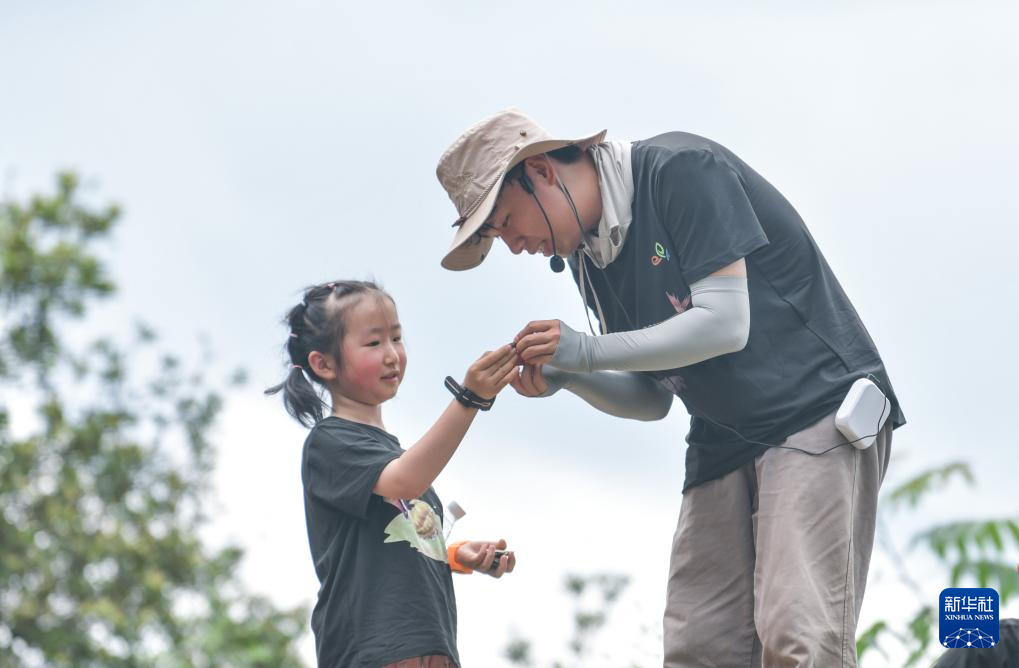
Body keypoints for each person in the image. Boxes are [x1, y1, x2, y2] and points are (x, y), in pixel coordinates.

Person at [434, 109, 906, 667]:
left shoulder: (680, 170)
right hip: (722, 438)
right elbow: (652, 398)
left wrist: (584, 351)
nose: (512, 245)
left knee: (799, 637)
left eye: (505, 222)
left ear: (539, 171)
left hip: (815, 410)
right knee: (697, 649)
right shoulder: (589, 259)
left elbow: (725, 323)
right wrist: (568, 377)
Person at [266, 280, 518, 668]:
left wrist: (455, 554)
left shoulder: (392, 455)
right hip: (372, 653)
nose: (392, 355)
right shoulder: (330, 442)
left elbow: (395, 540)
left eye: (396, 338)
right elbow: (405, 481)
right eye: (373, 343)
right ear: (323, 364)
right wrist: (469, 399)